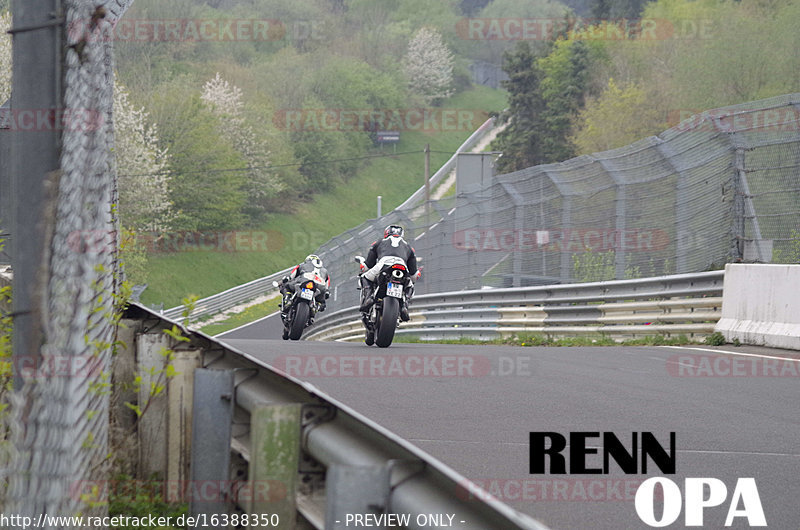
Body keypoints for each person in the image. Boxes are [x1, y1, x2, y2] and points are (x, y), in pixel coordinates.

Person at [359, 224, 420, 321]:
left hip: (383, 265)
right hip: (402, 267)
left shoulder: (379, 242)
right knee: (410, 285)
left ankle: (368, 298)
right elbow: (414, 275)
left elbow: (368, 265)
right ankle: (405, 305)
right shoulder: (409, 247)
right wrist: (413, 277)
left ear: (386, 233)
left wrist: (363, 265)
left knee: (365, 277)